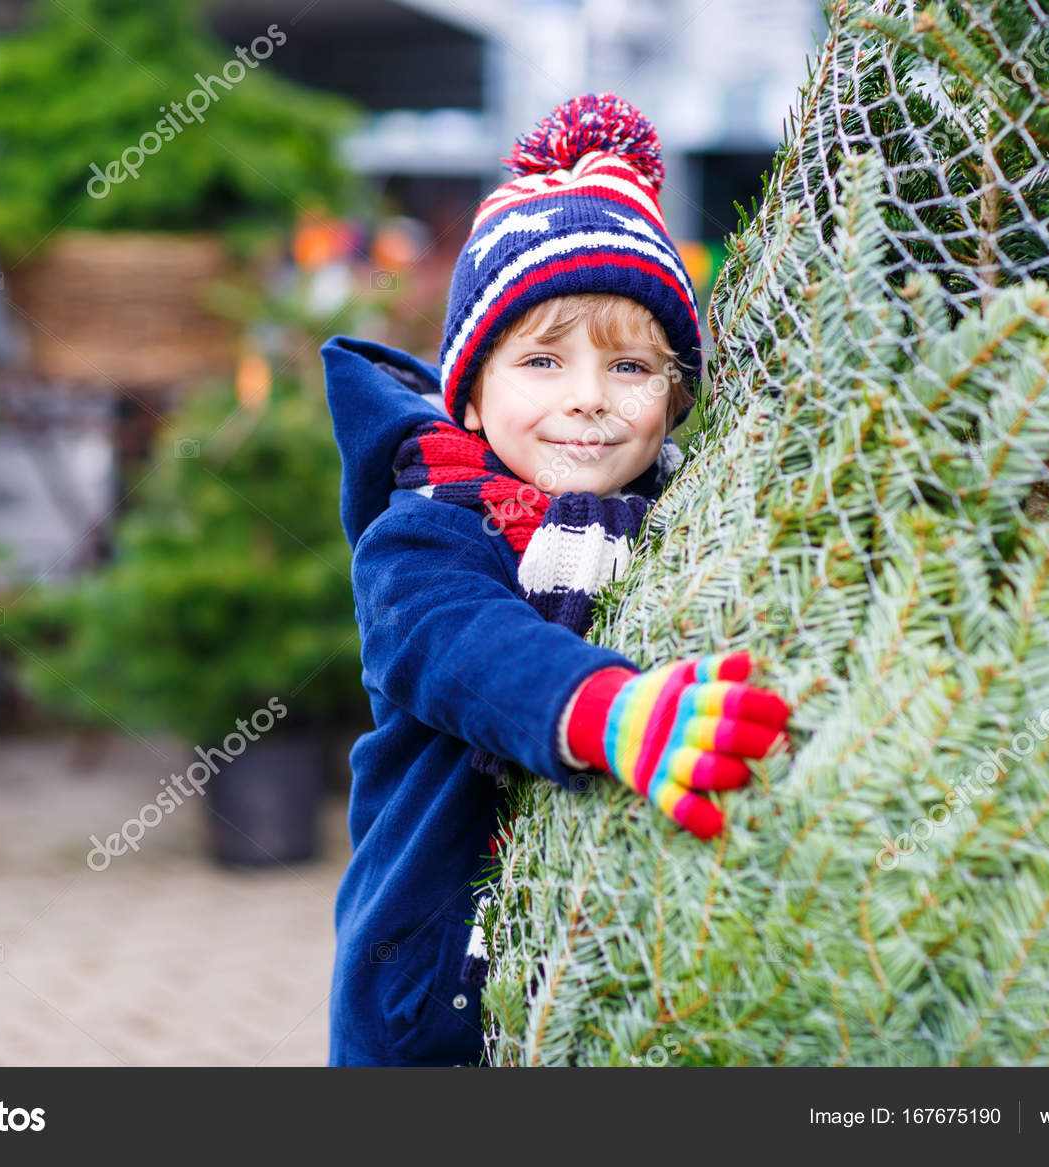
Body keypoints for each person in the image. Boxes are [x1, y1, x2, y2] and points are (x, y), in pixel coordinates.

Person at [320, 93, 791, 1067]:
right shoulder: (428, 534)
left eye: (628, 365)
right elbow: (461, 647)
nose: (587, 397)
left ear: (673, 393)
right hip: (436, 1001)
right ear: (474, 390)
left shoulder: (684, 523)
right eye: (541, 359)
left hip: (602, 987)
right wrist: (607, 711)